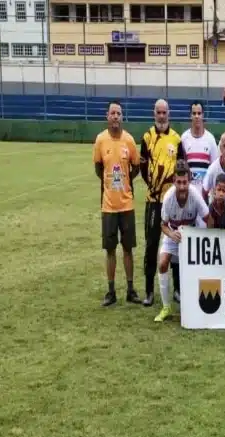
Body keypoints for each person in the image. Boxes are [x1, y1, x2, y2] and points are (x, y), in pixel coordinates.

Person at [93, 100, 141, 307]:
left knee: (128, 248)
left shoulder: (129, 141)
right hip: (109, 206)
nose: (115, 117)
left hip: (126, 205)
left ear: (122, 117)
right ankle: (111, 291)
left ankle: (130, 289)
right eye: (112, 113)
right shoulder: (100, 140)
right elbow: (98, 168)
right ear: (107, 116)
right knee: (110, 249)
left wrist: (126, 183)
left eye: (118, 113)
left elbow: (136, 167)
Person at [139, 99, 185, 307]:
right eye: (158, 112)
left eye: (164, 112)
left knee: (175, 243)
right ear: (154, 113)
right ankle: (149, 291)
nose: (161, 116)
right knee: (151, 245)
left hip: (173, 202)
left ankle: (177, 289)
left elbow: (182, 167)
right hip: (153, 201)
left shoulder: (176, 139)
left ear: (169, 113)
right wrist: (154, 187)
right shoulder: (147, 137)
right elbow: (142, 168)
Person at [155, 162, 210, 322]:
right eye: (179, 182)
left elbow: (208, 219)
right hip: (173, 234)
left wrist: (206, 239)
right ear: (174, 181)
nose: (182, 186)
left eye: (185, 182)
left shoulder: (195, 195)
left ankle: (198, 305)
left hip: (193, 235)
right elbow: (163, 225)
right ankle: (166, 307)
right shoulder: (168, 198)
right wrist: (172, 235)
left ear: (189, 180)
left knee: (200, 267)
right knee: (163, 263)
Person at [180, 100, 219, 187]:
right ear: (190, 116)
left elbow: (215, 168)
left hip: (205, 193)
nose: (196, 116)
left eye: (199, 113)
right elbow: (182, 168)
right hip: (189, 191)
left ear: (203, 115)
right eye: (194, 113)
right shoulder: (184, 138)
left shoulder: (210, 139)